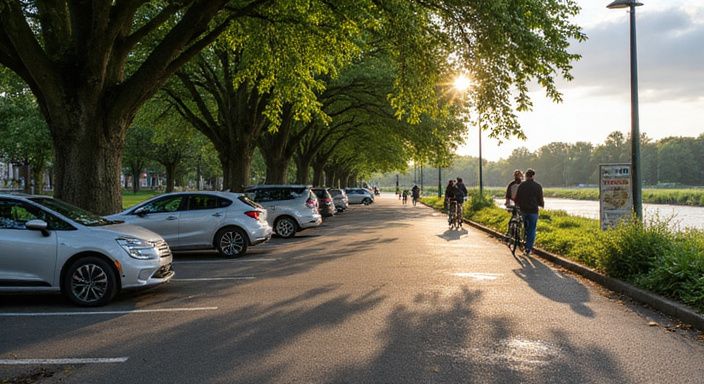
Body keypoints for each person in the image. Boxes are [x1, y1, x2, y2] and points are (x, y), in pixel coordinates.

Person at [515, 168, 544, 256]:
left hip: (523, 210)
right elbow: (540, 198)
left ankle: (521, 238)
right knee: (532, 229)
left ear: (526, 176)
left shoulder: (522, 185)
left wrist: (517, 205)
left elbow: (518, 197)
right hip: (533, 210)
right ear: (533, 176)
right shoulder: (538, 186)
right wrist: (541, 204)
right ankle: (528, 248)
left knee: (522, 225)